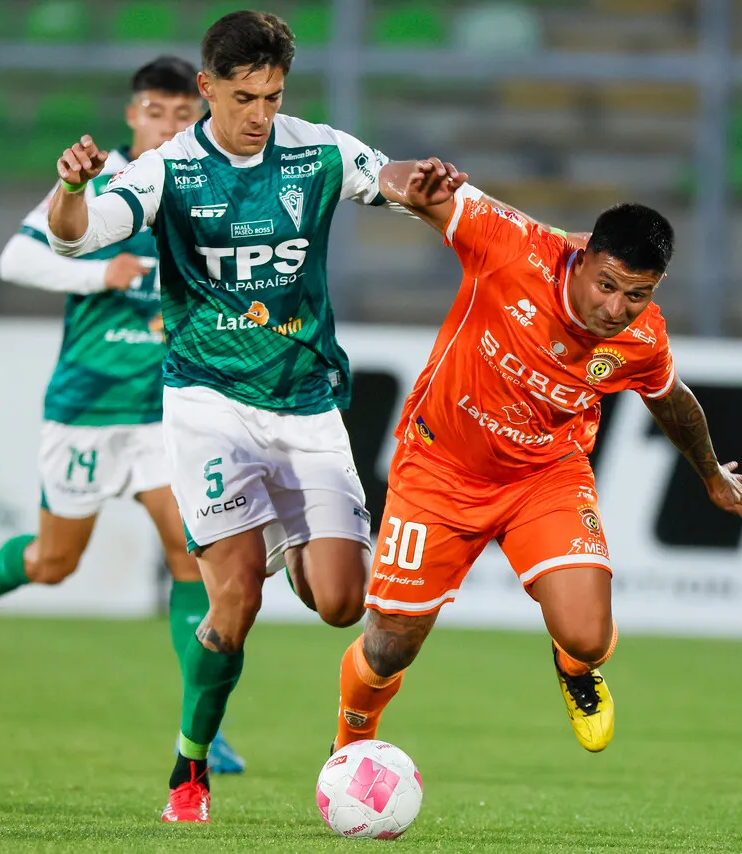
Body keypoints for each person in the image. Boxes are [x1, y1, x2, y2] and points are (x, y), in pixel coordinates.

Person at [42, 11, 545, 823]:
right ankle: (189, 770)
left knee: (344, 603)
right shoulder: (169, 170)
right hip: (207, 404)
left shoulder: (315, 151)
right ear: (206, 88)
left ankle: (267, 542)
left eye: (273, 97)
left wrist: (424, 185)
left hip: (307, 407)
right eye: (244, 97)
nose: (259, 115)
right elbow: (75, 238)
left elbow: (388, 174)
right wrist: (70, 188)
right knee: (233, 606)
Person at [332, 159, 742, 756]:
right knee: (388, 646)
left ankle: (576, 668)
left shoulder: (642, 337)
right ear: (581, 256)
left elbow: (672, 400)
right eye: (607, 285)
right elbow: (399, 183)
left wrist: (711, 473)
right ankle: (351, 743)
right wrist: (411, 184)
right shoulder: (512, 246)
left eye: (637, 295)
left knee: (587, 636)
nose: (616, 309)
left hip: (545, 477)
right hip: (440, 467)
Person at [0, 56, 244, 775]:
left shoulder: (205, 186)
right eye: (155, 113)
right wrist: (101, 272)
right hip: (88, 407)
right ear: (133, 116)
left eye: (182, 115)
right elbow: (14, 260)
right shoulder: (98, 180)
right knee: (54, 562)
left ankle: (202, 723)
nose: (169, 125)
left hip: (165, 409)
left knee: (189, 555)